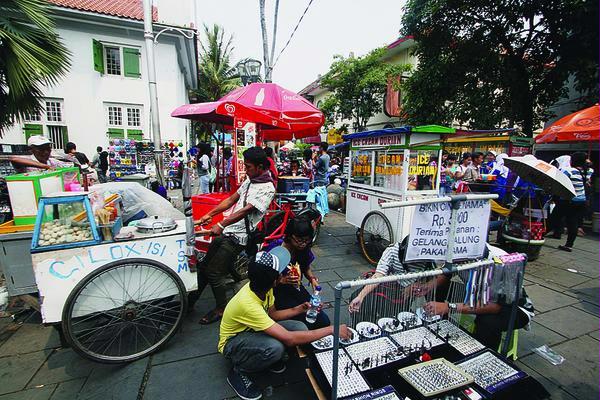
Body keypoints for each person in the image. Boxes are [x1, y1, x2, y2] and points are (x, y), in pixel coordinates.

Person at [349, 237, 533, 350]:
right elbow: (446, 273)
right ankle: (438, 323)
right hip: (477, 294)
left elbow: (495, 307)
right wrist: (428, 286)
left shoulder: (503, 263)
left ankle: (484, 353)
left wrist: (449, 307)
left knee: (486, 323)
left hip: (511, 308)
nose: (453, 260)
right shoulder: (457, 254)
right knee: (440, 286)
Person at [220, 246, 351, 400]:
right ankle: (239, 369)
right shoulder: (248, 303)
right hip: (233, 341)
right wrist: (332, 329)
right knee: (275, 348)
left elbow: (273, 314)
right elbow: (289, 338)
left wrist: (300, 309)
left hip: (253, 329)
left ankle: (266, 356)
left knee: (300, 327)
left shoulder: (262, 287)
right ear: (276, 280)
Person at [193, 147, 276, 324]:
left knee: (214, 273)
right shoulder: (250, 180)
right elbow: (232, 200)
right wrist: (209, 214)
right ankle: (190, 300)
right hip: (227, 230)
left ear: (260, 166)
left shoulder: (268, 188)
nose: (246, 170)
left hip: (239, 237)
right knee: (204, 266)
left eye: (248, 167)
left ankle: (222, 308)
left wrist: (221, 224)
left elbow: (246, 210)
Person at [264, 217, 330, 329]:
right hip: (276, 292)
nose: (303, 244)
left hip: (296, 288)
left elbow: (305, 267)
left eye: (307, 240)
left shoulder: (303, 248)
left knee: (323, 320)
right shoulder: (274, 249)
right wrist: (281, 280)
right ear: (290, 236)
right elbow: (261, 277)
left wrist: (312, 279)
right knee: (306, 322)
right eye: (299, 240)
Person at [557, 152, 589, 252]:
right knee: (573, 222)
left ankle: (538, 236)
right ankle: (569, 245)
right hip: (581, 201)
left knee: (554, 217)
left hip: (569, 200)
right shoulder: (583, 172)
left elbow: (559, 181)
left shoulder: (569, 170)